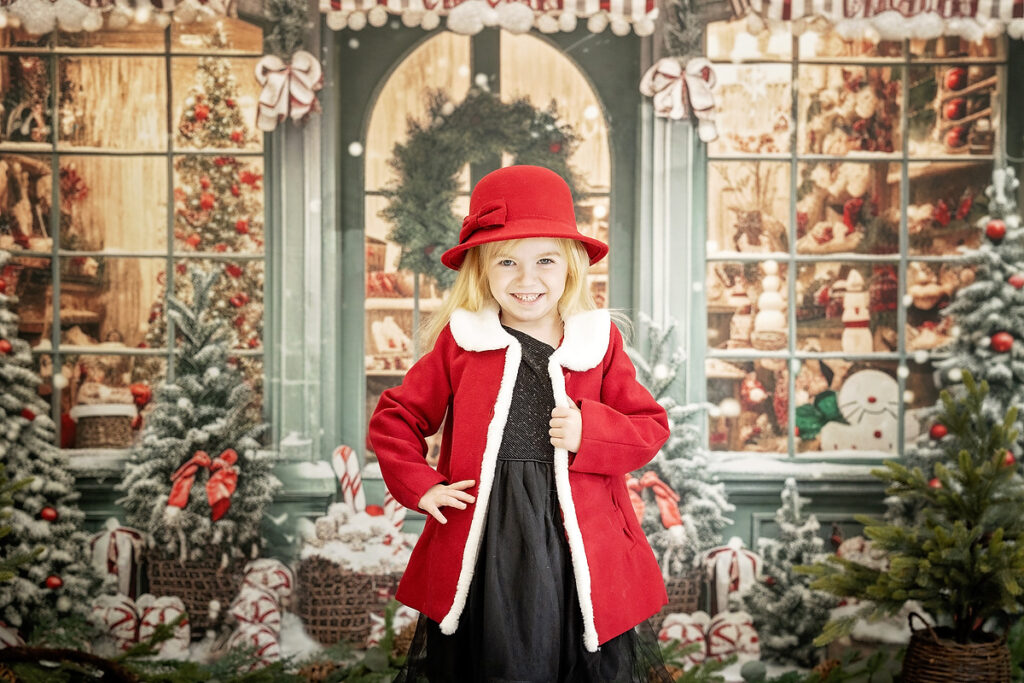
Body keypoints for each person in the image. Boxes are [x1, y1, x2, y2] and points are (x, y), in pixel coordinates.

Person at [370, 165, 672, 682]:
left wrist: (589, 434)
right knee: (499, 657)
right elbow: (396, 417)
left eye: (545, 261)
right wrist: (422, 487)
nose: (526, 280)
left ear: (571, 268)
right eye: (507, 261)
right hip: (489, 537)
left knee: (574, 654)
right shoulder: (463, 341)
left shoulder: (595, 343)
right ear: (481, 270)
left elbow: (649, 424)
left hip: (574, 537)